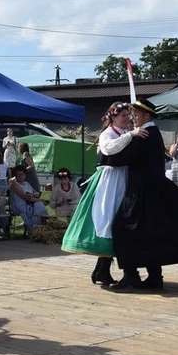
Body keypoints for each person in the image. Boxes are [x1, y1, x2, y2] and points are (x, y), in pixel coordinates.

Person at [106, 99, 178, 291]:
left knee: (123, 228)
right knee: (151, 233)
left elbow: (121, 158)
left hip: (142, 191)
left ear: (147, 116)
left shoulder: (144, 134)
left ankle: (131, 276)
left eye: (136, 114)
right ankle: (153, 277)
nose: (133, 117)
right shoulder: (152, 132)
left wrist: (104, 154)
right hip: (152, 189)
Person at [61, 102, 143, 286]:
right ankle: (102, 271)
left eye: (128, 116)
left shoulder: (123, 133)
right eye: (123, 116)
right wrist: (131, 134)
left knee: (115, 221)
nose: (127, 119)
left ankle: (101, 271)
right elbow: (109, 149)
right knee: (107, 219)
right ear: (113, 117)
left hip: (122, 178)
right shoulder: (108, 134)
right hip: (109, 181)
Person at [8, 165, 46, 236]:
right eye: (18, 174)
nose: (20, 176)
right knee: (39, 205)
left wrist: (34, 195)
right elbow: (25, 196)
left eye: (22, 174)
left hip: (30, 203)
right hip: (19, 205)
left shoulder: (27, 184)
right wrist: (38, 199)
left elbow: (36, 193)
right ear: (15, 176)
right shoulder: (13, 184)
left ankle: (37, 228)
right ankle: (34, 229)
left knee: (39, 205)